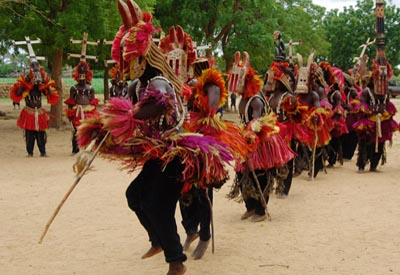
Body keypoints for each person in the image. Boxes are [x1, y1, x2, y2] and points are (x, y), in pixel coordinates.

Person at [76, 1, 233, 274]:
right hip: (157, 153)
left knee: (155, 204)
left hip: (174, 154)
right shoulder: (138, 85)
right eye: (124, 60)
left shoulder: (159, 82)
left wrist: (129, 116)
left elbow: (158, 105)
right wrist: (103, 127)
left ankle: (176, 260)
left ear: (144, 57)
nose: (127, 65)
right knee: (134, 196)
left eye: (132, 59)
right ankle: (159, 241)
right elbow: (122, 108)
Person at [227, 51, 295, 222]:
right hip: (246, 139)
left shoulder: (256, 100)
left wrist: (247, 137)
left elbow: (256, 124)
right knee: (243, 174)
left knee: (260, 175)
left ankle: (261, 210)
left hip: (260, 141)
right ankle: (250, 206)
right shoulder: (242, 98)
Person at [10, 58, 59, 157]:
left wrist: (44, 82)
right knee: (29, 134)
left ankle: (43, 152)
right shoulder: (25, 84)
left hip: (39, 112)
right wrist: (27, 82)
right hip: (29, 112)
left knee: (41, 133)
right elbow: (18, 94)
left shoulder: (41, 86)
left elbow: (50, 94)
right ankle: (30, 152)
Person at [64, 61, 99, 154]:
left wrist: (93, 112)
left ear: (86, 75)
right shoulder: (74, 88)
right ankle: (75, 149)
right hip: (77, 111)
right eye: (80, 76)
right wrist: (70, 114)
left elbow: (93, 101)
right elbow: (71, 102)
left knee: (89, 129)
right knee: (77, 131)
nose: (82, 78)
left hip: (88, 111)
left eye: (83, 76)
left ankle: (89, 148)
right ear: (77, 76)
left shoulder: (90, 88)